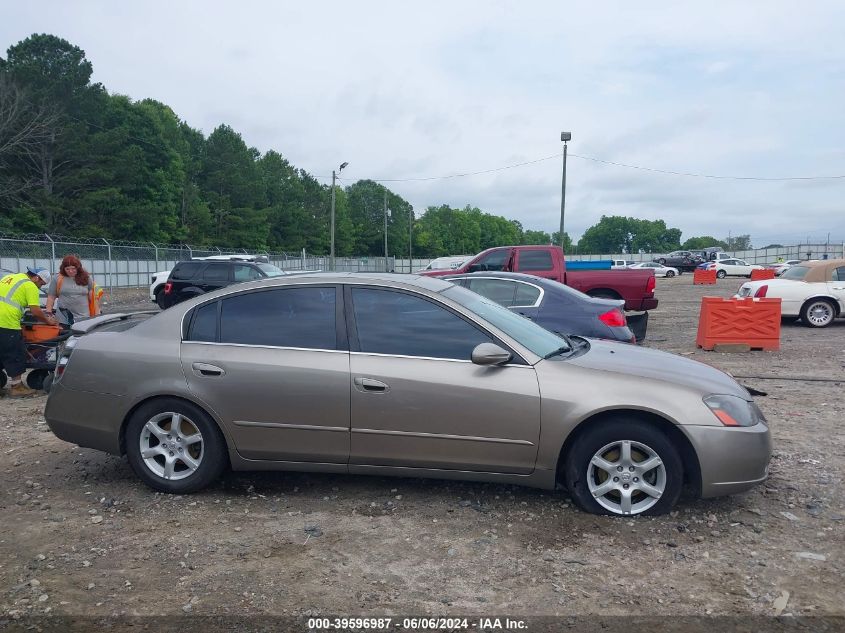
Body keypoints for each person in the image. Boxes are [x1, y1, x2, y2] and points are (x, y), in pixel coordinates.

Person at [0, 267, 57, 398]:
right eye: (41, 284)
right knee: (14, 352)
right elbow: (36, 311)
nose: (39, 286)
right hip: (6, 321)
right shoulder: (30, 285)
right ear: (36, 278)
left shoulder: (8, 278)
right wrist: (48, 321)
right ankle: (17, 387)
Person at [46, 255, 101, 323]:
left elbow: (93, 299)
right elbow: (51, 297)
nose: (70, 271)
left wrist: (97, 316)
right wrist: (48, 313)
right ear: (63, 268)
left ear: (78, 268)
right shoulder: (57, 278)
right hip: (63, 319)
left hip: (84, 318)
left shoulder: (86, 278)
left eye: (73, 268)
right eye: (67, 269)